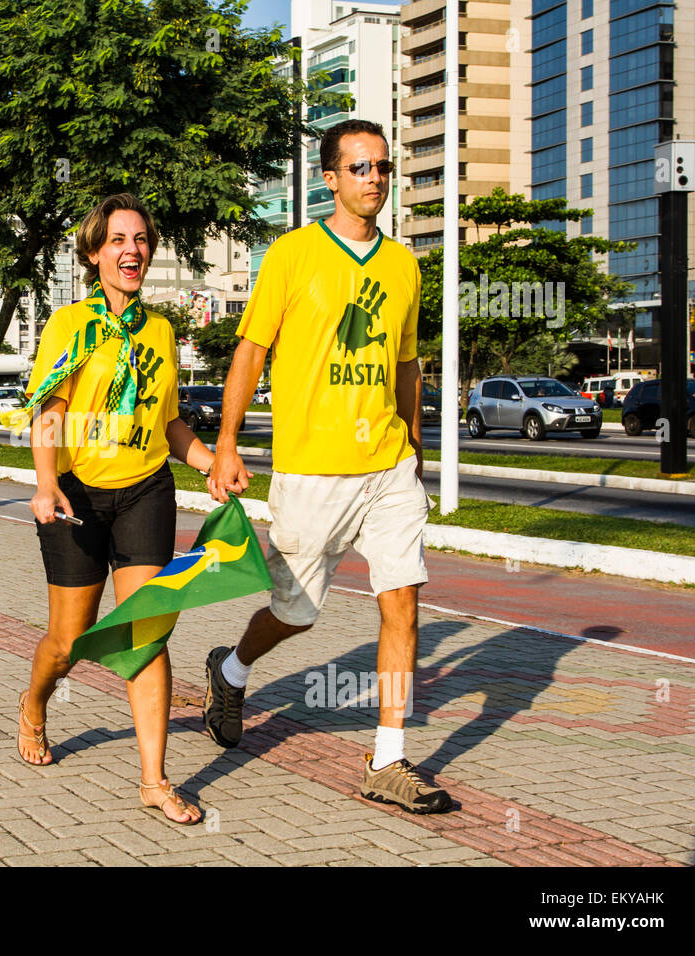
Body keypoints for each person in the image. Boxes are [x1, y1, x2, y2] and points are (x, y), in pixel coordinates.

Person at [205, 119, 451, 814]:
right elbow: (251, 351)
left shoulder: (404, 265)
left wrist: (415, 444)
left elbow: (406, 362)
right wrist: (226, 443)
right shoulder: (291, 254)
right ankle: (231, 668)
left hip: (387, 467)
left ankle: (389, 759)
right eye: (360, 168)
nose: (374, 179)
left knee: (402, 602)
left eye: (382, 168)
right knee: (298, 613)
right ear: (330, 179)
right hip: (312, 469)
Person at [16, 193, 214, 826]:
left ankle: (154, 780)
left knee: (145, 632)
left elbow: (170, 422)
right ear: (94, 252)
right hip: (77, 496)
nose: (133, 251)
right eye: (119, 241)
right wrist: (46, 484)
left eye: (141, 240)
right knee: (69, 639)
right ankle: (35, 702)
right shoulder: (70, 325)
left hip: (145, 490)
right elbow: (49, 410)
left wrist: (210, 463)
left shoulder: (161, 329)